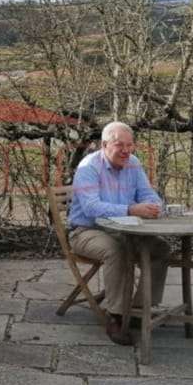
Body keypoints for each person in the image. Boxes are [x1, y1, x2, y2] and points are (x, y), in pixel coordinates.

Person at [68, 122, 170, 345]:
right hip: (86, 231)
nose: (126, 150)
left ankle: (137, 308)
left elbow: (147, 193)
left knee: (161, 248)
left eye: (129, 145)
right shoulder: (88, 168)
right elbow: (91, 208)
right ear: (104, 145)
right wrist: (131, 209)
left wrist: (153, 205)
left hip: (124, 230)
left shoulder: (133, 162)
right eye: (119, 145)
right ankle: (115, 316)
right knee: (117, 251)